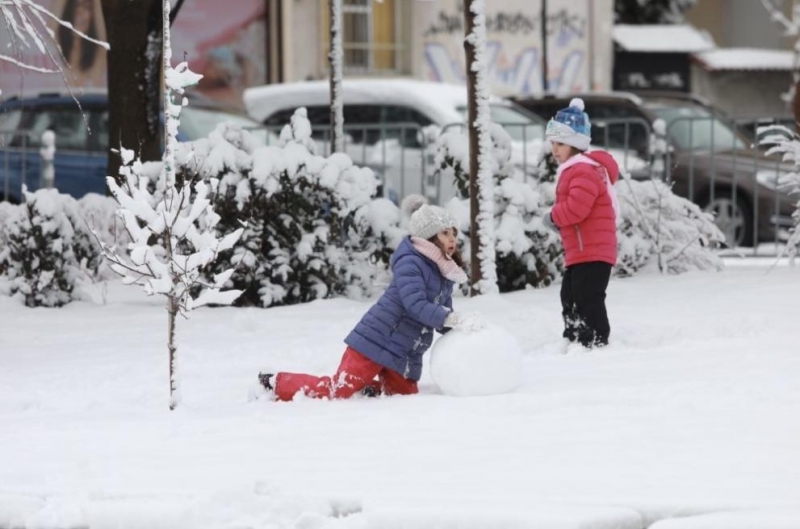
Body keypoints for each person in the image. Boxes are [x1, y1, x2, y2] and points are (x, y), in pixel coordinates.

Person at [257, 196, 481, 401]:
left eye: (454, 234)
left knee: (405, 398)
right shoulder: (411, 262)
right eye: (445, 233)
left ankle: (367, 389)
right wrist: (449, 318)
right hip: (376, 340)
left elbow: (441, 318)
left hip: (402, 351)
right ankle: (276, 384)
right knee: (338, 390)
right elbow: (416, 305)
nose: (452, 239)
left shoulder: (443, 272)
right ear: (429, 236)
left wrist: (464, 328)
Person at [542, 98, 619, 348]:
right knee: (570, 295)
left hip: (593, 250)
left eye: (561, 144)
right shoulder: (575, 170)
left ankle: (596, 339)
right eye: (553, 143)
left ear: (576, 144)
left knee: (588, 296)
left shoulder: (583, 170)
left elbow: (577, 209)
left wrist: (554, 216)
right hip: (582, 250)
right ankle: (575, 337)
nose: (555, 149)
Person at [57, 0, 106, 88]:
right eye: (76, 6)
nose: (80, 11)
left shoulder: (95, 67)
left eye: (86, 7)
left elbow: (103, 42)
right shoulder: (56, 54)